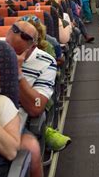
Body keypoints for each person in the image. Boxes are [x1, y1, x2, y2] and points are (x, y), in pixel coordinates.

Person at [5, 21, 71, 152]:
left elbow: (36, 107)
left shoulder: (46, 61)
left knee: (31, 150)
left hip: (17, 117)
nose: (10, 55)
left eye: (16, 52)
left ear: (32, 47)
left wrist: (17, 72)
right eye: (8, 49)